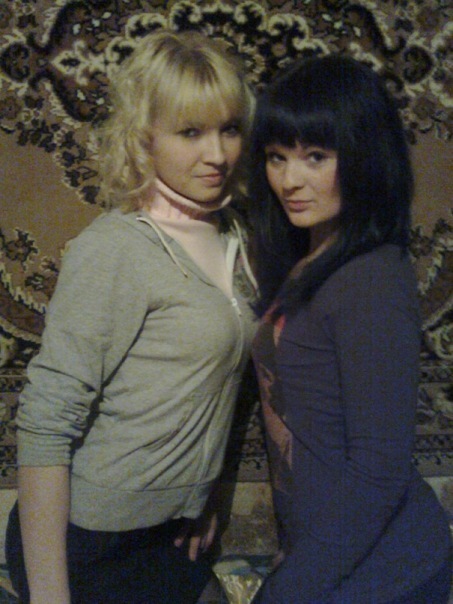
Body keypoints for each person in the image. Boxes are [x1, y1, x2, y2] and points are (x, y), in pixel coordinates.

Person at [6, 30, 257, 604]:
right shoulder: (116, 248)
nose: (218, 154)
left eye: (229, 128)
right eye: (190, 132)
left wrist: (202, 496)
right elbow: (46, 423)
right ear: (145, 137)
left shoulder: (237, 235)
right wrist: (50, 597)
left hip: (170, 531)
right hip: (87, 537)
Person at [249, 54, 452, 603]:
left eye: (315, 156)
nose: (289, 180)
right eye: (276, 157)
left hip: (386, 575)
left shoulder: (371, 280)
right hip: (334, 560)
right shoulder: (312, 259)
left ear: (363, 156)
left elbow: (379, 472)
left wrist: (289, 589)